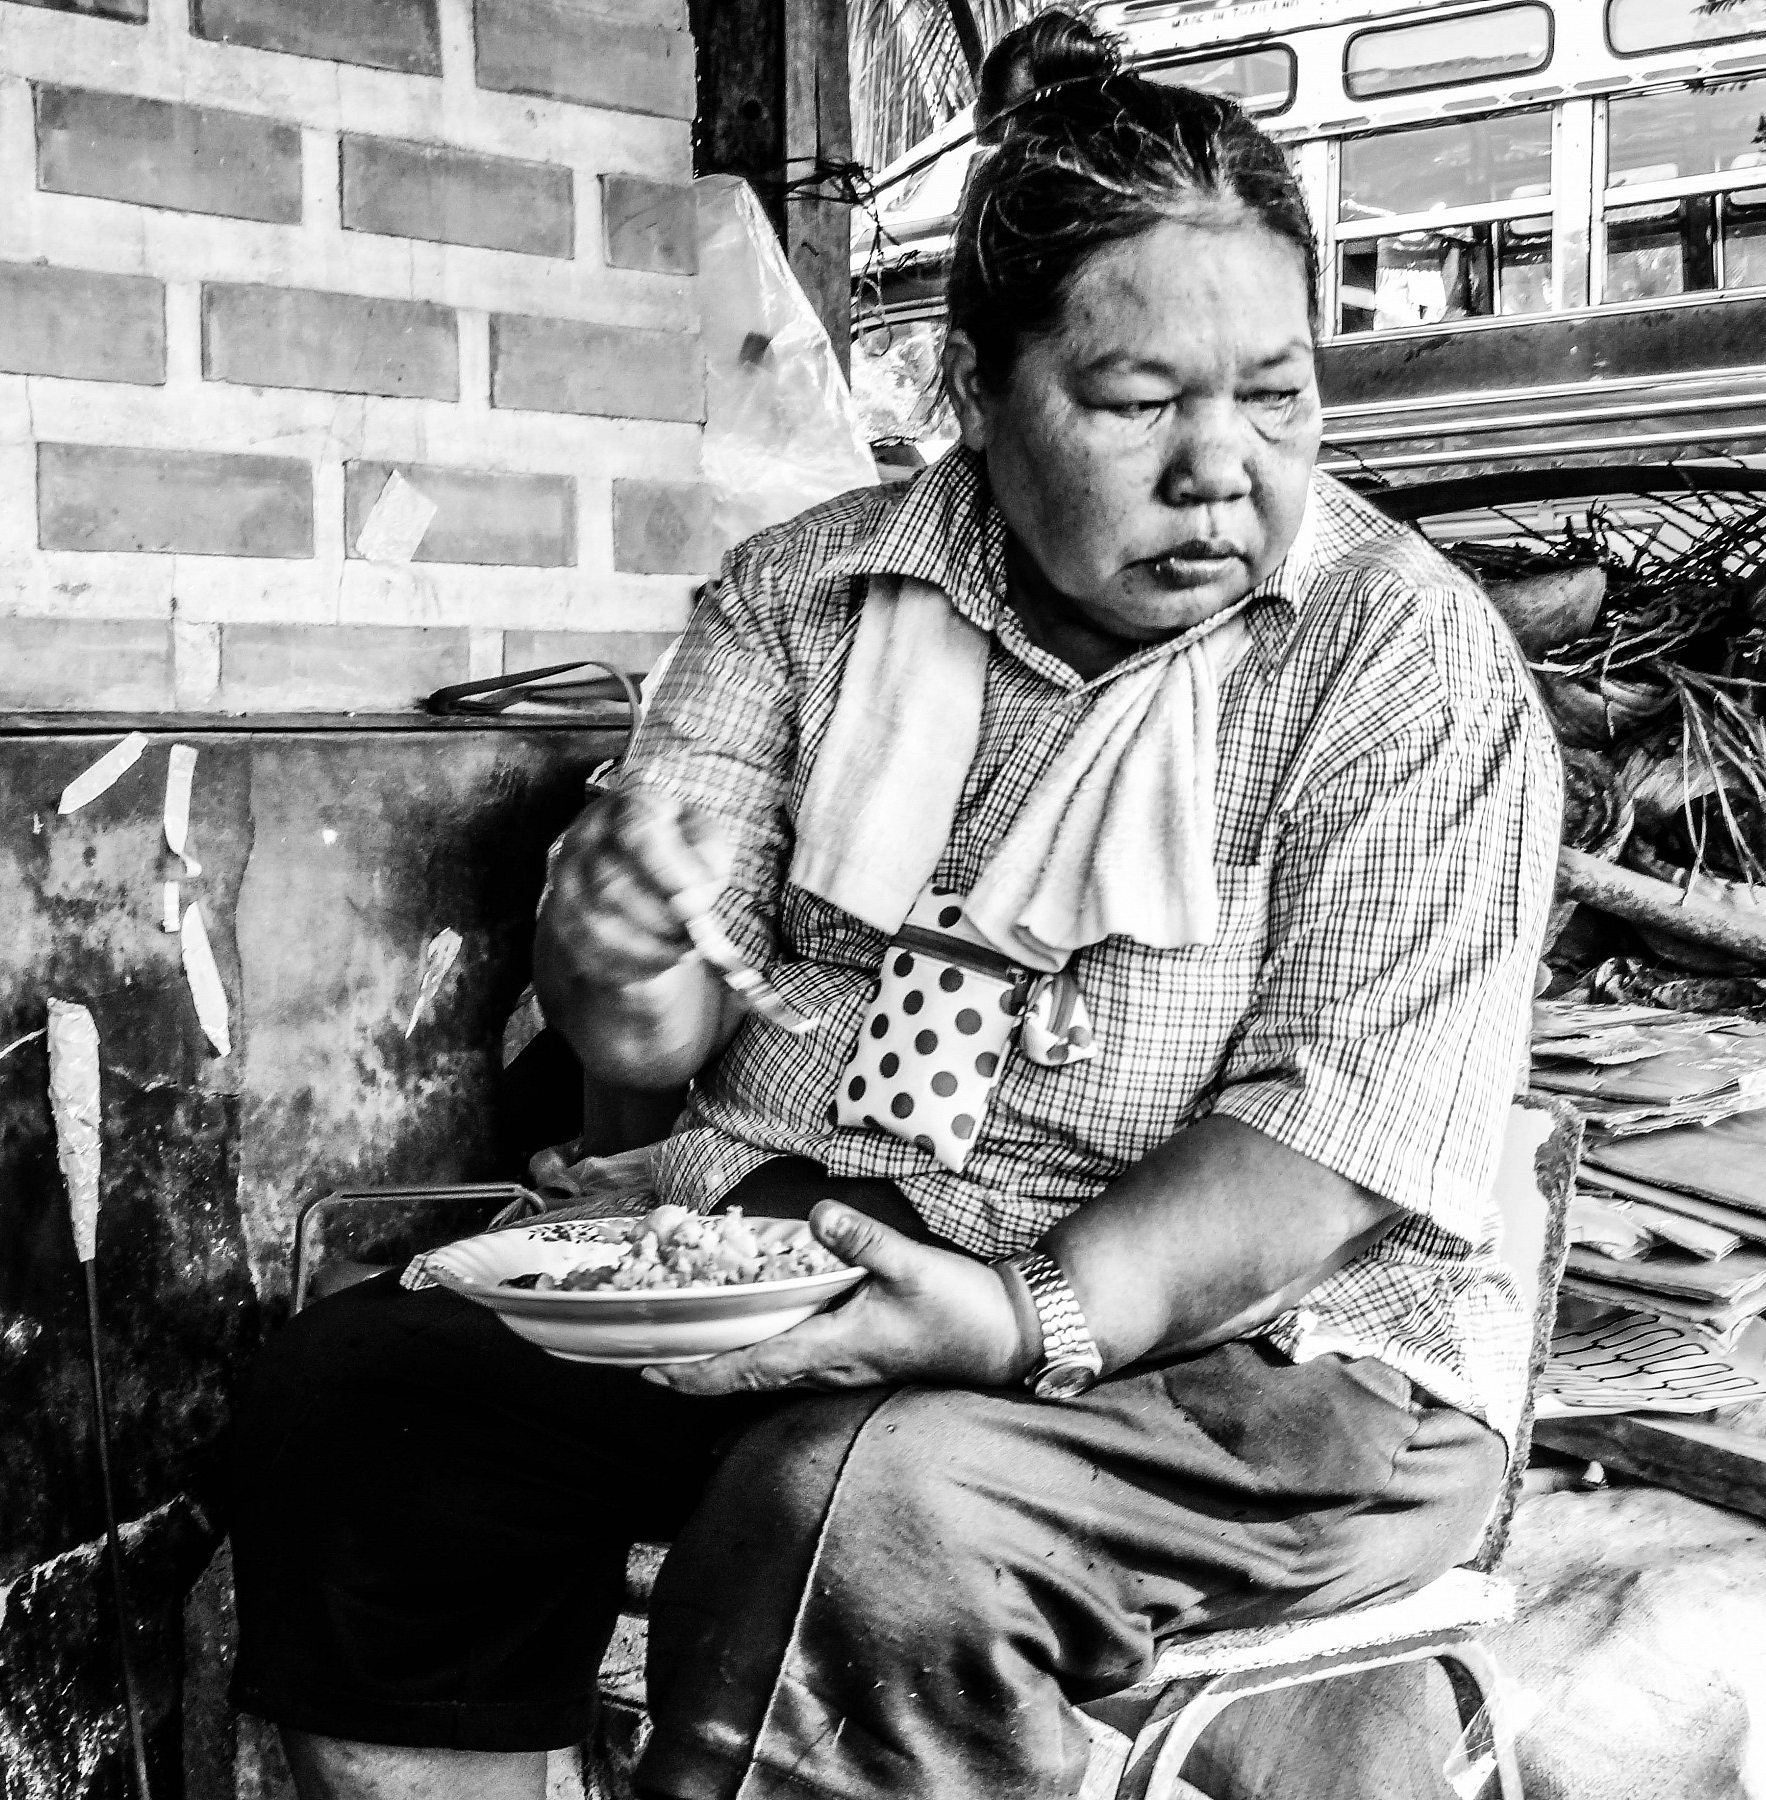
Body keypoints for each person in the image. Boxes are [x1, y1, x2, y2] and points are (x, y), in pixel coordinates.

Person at [225, 12, 1559, 1798]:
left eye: (1279, 392)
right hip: (807, 1283)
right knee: (372, 1398)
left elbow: (1334, 1145)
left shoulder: (1403, 664)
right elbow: (656, 1041)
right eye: (1138, 398)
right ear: (972, 389)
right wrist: (620, 967)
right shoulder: (803, 600)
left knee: (868, 1512)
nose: (1221, 465)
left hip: (1258, 1375)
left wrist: (1016, 1317)